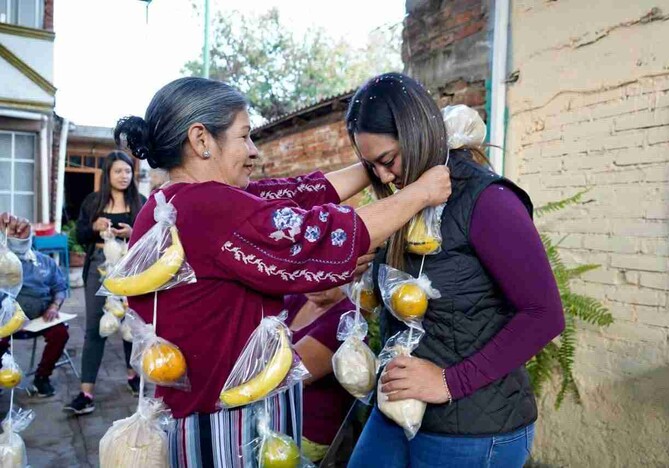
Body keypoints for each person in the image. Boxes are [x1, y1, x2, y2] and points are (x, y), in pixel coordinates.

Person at [115, 76, 451, 467]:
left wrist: (376, 162)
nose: (254, 151)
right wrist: (421, 193)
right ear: (201, 139)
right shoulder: (206, 206)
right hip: (227, 426)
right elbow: (320, 236)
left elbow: (298, 192)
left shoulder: (166, 204)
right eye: (244, 136)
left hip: (199, 414)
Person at [344, 73, 565, 468]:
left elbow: (544, 315)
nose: (383, 177)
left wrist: (448, 382)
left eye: (387, 161)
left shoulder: (489, 201)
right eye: (370, 166)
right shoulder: (411, 200)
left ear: (417, 135)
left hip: (473, 424)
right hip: (397, 410)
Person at [63, 151, 147, 415]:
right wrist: (95, 226)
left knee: (129, 322)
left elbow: (149, 237)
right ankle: (86, 392)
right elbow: (80, 235)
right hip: (99, 264)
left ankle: (133, 375)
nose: (124, 176)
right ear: (107, 174)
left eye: (128, 171)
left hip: (128, 266)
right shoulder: (93, 201)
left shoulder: (139, 201)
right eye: (118, 171)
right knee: (94, 327)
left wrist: (133, 233)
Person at [283, 287, 355, 463]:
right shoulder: (299, 298)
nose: (318, 282)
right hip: (276, 415)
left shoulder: (347, 319)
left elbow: (287, 373)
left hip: (306, 432)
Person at [0, 221, 69, 397]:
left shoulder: (46, 262)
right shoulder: (3, 264)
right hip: (7, 320)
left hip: (40, 318)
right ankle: (3, 374)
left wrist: (54, 306)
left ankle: (42, 377)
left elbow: (60, 287)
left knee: (60, 333)